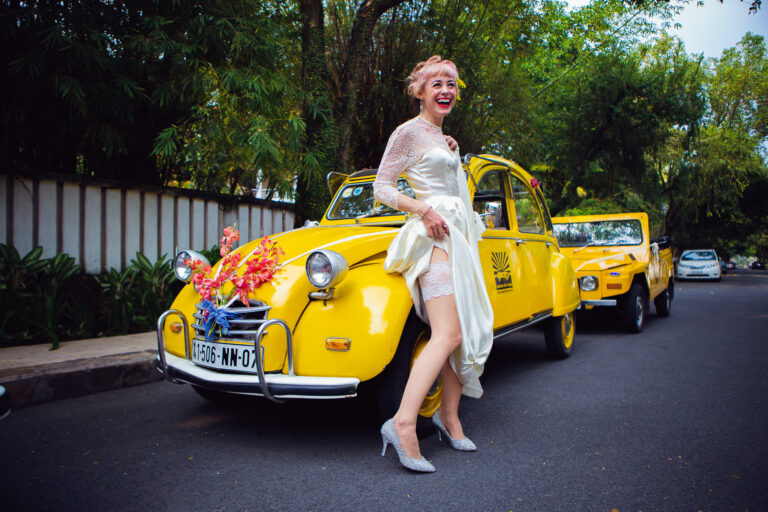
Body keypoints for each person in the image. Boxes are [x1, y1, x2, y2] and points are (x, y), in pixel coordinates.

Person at [373, 56, 494, 473]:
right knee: (447, 333)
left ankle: (449, 417)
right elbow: (382, 187)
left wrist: (451, 154)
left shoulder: (444, 139)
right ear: (420, 91)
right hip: (433, 237)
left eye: (453, 84)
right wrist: (422, 209)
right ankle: (403, 422)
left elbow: (451, 185)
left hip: (458, 237)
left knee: (459, 334)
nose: (446, 90)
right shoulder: (406, 132)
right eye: (437, 83)